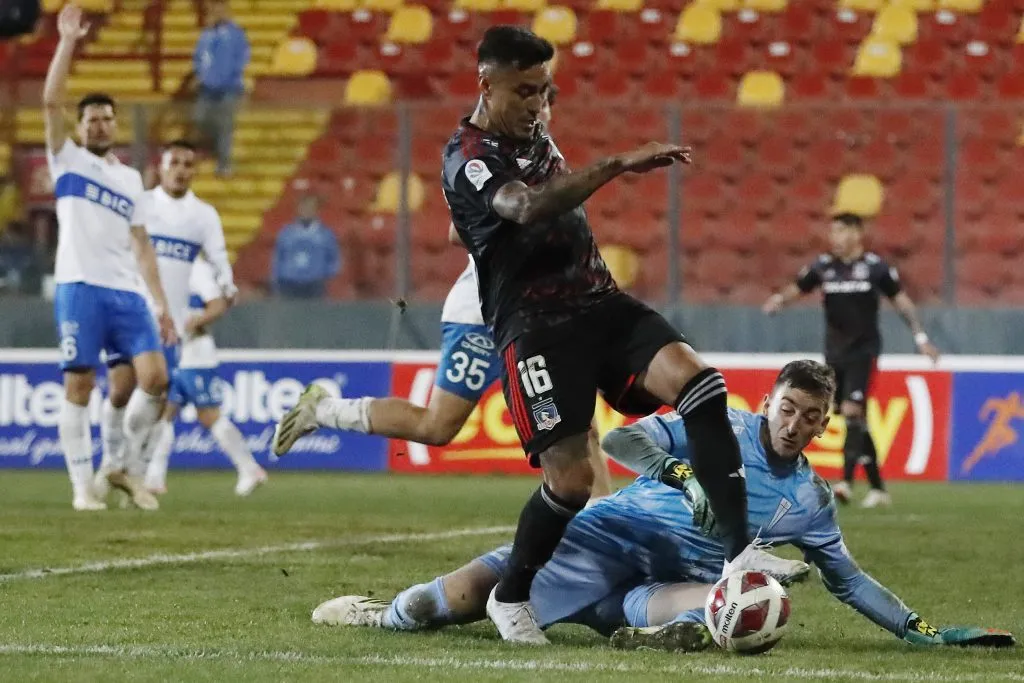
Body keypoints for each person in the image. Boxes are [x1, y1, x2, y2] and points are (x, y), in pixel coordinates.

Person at [368, 26, 757, 645]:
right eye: (524, 91)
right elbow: (523, 207)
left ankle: (740, 560)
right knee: (571, 481)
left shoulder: (534, 128)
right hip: (536, 330)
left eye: (544, 90)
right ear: (485, 82)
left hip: (599, 302)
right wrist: (616, 164)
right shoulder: (465, 156)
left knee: (702, 387)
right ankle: (511, 595)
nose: (536, 104)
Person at [311, 361, 1014, 652]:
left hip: (651, 590)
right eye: (788, 407)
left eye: (810, 418)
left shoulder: (809, 499)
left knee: (749, 596)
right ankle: (385, 610)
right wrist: (684, 474)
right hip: (596, 543)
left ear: (824, 426)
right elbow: (621, 436)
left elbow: (848, 580)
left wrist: (924, 631)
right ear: (768, 400)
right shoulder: (718, 426)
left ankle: (656, 630)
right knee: (447, 603)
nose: (794, 423)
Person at [271, 86, 614, 501]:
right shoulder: (494, 160)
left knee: (578, 424)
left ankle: (603, 523)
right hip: (481, 314)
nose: (537, 111)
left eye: (542, 104)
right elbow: (458, 231)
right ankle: (325, 410)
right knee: (438, 426)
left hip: (532, 314)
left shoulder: (545, 159)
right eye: (530, 103)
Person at [43, 3, 175, 512]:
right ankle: (83, 489)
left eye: (107, 119)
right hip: (79, 285)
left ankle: (117, 462)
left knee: (155, 380)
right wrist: (68, 41)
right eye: (92, 119)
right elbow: (50, 102)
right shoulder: (67, 160)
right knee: (80, 384)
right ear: (79, 128)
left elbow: (142, 243)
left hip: (127, 292)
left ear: (116, 125)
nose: (100, 125)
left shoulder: (129, 179)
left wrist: (160, 302)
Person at [93, 139, 243, 499]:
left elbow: (218, 255)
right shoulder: (141, 205)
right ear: (160, 166)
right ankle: (110, 462)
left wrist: (228, 283)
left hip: (168, 324)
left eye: (188, 164)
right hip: (128, 312)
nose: (180, 169)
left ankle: (133, 472)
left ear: (194, 171)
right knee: (119, 392)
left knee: (155, 404)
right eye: (174, 162)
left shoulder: (203, 215)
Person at [762, 213, 941, 508]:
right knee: (853, 418)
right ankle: (879, 488)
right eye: (832, 231)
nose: (835, 237)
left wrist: (921, 338)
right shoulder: (824, 267)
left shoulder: (875, 268)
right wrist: (779, 301)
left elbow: (902, 301)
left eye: (841, 231)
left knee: (851, 409)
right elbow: (799, 286)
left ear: (857, 234)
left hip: (864, 352)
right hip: (834, 354)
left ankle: (844, 481)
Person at [143, 256, 267, 497]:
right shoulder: (162, 267)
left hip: (196, 355)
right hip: (171, 352)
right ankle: (154, 478)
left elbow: (218, 305)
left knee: (209, 415)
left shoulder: (197, 269)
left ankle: (250, 468)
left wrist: (192, 323)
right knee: (163, 413)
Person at [192, 0, 249, 177]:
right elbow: (199, 57)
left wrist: (233, 78)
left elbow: (242, 59)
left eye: (221, 10)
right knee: (199, 118)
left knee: (225, 125)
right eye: (214, 11)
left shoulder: (236, 34)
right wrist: (200, 75)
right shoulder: (207, 35)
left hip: (228, 88)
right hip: (207, 88)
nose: (218, 14)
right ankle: (212, 149)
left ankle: (224, 164)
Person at [271, 194, 341, 299]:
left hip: (315, 284)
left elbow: (333, 259)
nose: (306, 211)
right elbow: (278, 257)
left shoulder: (326, 234)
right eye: (303, 207)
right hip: (289, 284)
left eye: (310, 207)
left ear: (316, 210)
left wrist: (323, 275)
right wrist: (281, 275)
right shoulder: (286, 233)